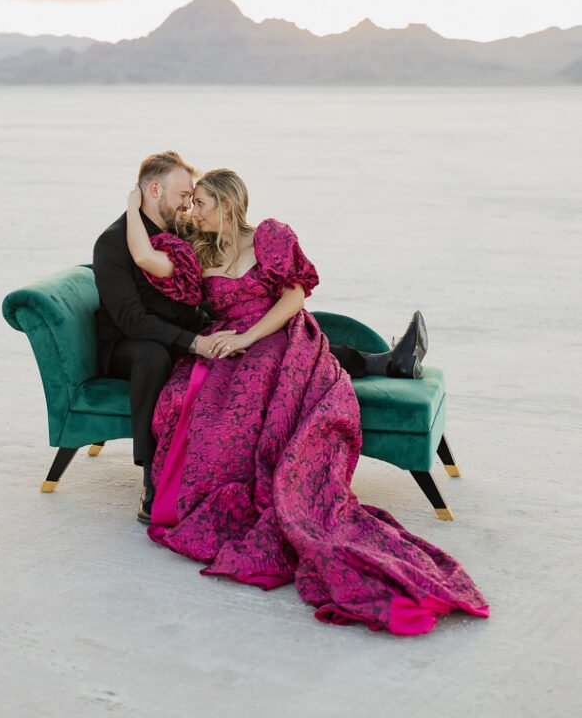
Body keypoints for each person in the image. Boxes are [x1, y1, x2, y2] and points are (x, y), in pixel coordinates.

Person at [124, 168, 489, 637]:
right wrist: (134, 205)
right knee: (187, 398)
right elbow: (145, 257)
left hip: (278, 336)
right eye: (190, 203)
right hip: (228, 339)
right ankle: (184, 493)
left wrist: (248, 337)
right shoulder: (199, 251)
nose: (193, 211)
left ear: (228, 204)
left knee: (260, 385)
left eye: (201, 203)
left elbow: (294, 297)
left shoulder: (271, 237)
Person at [92, 151, 238, 523]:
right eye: (183, 195)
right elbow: (131, 320)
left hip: (182, 330)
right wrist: (193, 343)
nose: (188, 204)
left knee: (259, 339)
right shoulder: (112, 243)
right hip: (127, 344)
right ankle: (150, 478)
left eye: (192, 198)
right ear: (154, 189)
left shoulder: (181, 232)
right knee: (153, 355)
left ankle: (370, 361)